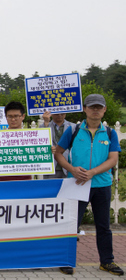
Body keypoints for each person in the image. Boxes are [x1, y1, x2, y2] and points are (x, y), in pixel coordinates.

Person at [55, 94, 123, 276]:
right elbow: (59, 154)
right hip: (77, 184)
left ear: (104, 110)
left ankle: (106, 262)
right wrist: (72, 169)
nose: (95, 110)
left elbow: (113, 159)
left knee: (103, 226)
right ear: (84, 109)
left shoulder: (110, 133)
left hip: (102, 185)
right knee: (71, 225)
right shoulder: (73, 130)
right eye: (91, 107)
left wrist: (93, 172)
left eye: (99, 107)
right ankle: (66, 260)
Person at [39, 111, 75, 179]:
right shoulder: (44, 126)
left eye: (62, 112)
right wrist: (46, 123)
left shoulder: (73, 127)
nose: (59, 115)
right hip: (52, 166)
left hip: (68, 165)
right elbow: (42, 142)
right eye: (56, 113)